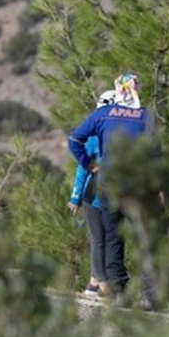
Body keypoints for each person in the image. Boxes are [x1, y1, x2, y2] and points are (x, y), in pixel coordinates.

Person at [68, 74, 156, 307]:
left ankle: (118, 292)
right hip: (136, 187)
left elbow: (74, 140)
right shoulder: (146, 116)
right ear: (135, 90)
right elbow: (155, 154)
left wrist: (89, 164)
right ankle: (149, 294)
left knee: (112, 238)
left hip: (109, 186)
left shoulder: (102, 114)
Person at [67, 90, 116, 297]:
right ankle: (100, 284)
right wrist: (76, 197)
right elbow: (82, 168)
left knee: (106, 239)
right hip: (94, 195)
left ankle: (94, 281)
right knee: (99, 239)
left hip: (110, 194)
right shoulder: (95, 137)